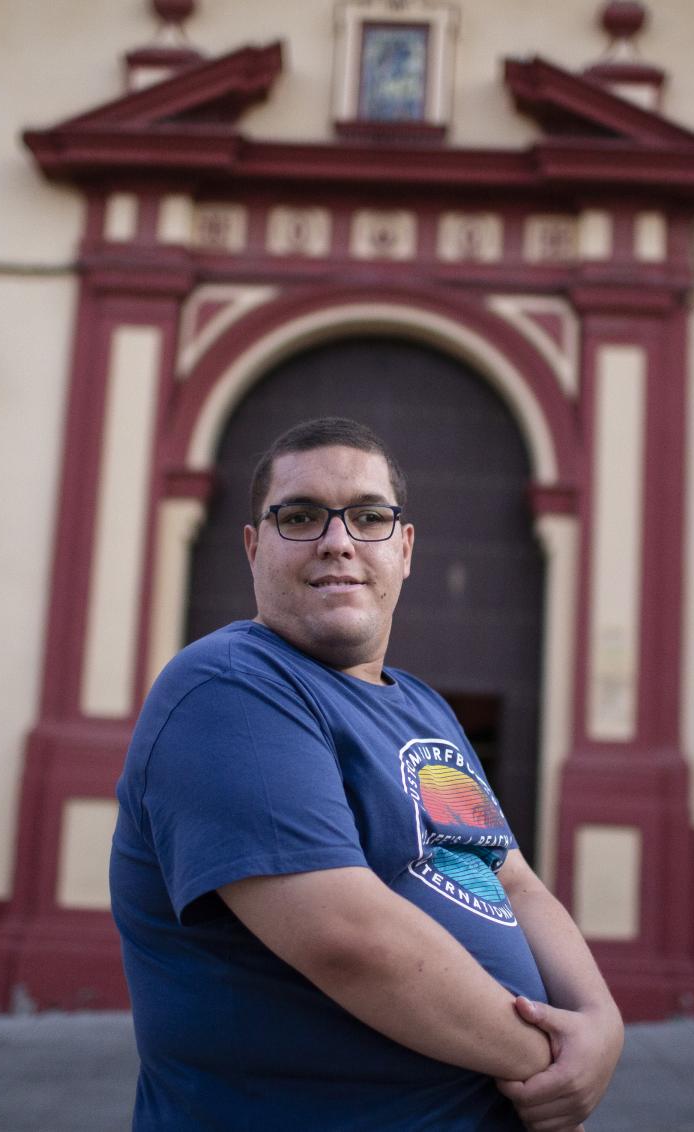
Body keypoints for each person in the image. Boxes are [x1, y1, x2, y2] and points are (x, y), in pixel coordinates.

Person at [111, 417, 622, 1131]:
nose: (338, 540)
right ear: (254, 548)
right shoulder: (229, 688)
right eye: (300, 516)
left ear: (404, 549)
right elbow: (345, 938)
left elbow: (512, 881)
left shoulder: (425, 709)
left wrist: (601, 1022)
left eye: (370, 517)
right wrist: (549, 1059)